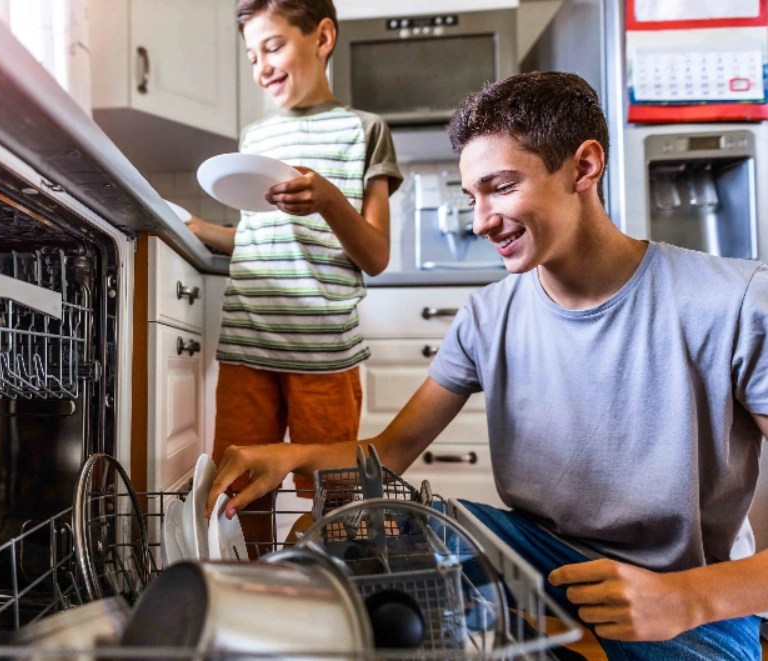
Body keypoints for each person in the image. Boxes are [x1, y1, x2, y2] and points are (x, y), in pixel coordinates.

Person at [205, 71, 768, 659]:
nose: (479, 221)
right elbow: (391, 452)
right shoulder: (488, 314)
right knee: (377, 526)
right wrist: (285, 458)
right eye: (471, 195)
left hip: (689, 596)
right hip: (544, 553)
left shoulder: (732, 302)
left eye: (500, 187)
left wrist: (688, 600)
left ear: (584, 167)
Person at [186, 0, 401, 555]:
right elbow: (260, 238)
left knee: (335, 500)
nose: (262, 65)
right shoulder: (254, 135)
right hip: (246, 345)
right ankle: (251, 602)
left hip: (323, 355)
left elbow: (375, 254)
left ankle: (316, 596)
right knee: (237, 493)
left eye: (273, 45)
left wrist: (328, 197)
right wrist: (194, 228)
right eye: (253, 54)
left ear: (322, 37)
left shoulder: (365, 132)